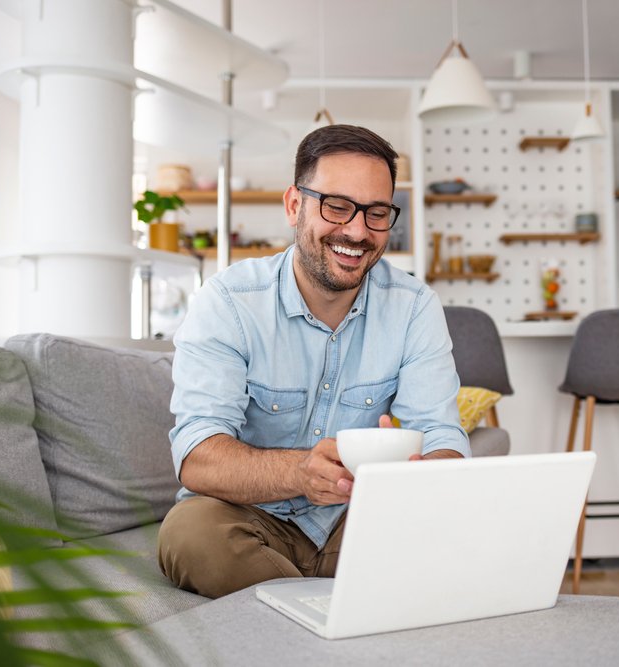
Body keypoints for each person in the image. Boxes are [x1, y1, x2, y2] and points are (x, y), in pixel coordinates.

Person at [158, 124, 470, 598]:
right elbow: (199, 457)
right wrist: (300, 472)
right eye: (337, 206)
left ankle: (295, 610)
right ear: (294, 205)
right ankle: (336, 609)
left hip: (360, 520)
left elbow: (442, 432)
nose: (357, 231)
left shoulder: (414, 306)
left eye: (377, 213)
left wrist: (428, 472)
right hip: (251, 518)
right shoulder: (227, 302)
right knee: (191, 536)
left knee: (458, 532)